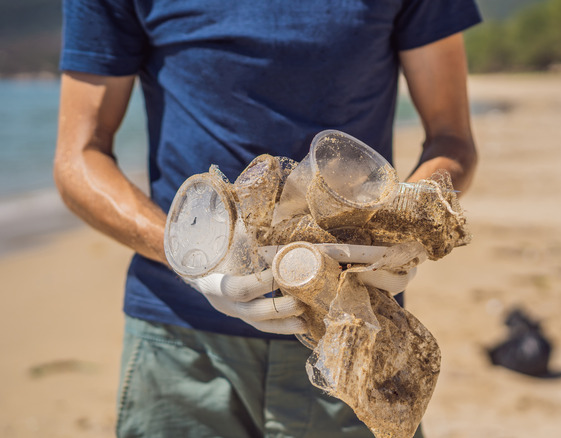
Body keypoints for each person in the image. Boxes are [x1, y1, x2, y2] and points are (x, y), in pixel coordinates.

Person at [54, 1, 480, 436]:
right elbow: (78, 159)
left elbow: (451, 138)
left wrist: (403, 224)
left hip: (354, 328)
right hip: (179, 344)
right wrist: (191, 260)